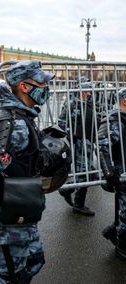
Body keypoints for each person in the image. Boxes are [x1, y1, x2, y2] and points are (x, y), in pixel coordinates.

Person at [0, 60, 55, 283]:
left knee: (35, 260)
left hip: (23, 202)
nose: (46, 88)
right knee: (11, 276)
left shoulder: (21, 114)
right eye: (41, 83)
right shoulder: (12, 120)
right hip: (8, 210)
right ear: (24, 86)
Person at [58, 77, 96, 216]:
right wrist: (70, 137)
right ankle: (78, 205)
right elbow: (61, 123)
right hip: (79, 142)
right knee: (86, 172)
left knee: (89, 172)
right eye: (87, 90)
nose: (90, 93)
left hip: (89, 141)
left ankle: (67, 189)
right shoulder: (72, 104)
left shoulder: (89, 102)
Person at [98, 87, 126, 260]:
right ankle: (122, 248)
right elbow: (102, 146)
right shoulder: (114, 120)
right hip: (122, 174)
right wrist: (111, 174)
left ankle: (112, 231)